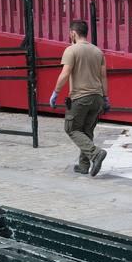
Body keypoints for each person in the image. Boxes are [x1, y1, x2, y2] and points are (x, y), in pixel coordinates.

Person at [49, 20, 110, 176]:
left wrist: (56, 92)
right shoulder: (98, 51)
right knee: (86, 130)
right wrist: (105, 97)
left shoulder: (71, 50)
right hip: (97, 98)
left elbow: (65, 73)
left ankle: (96, 154)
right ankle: (84, 165)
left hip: (80, 97)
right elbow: (103, 77)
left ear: (73, 33)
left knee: (71, 128)